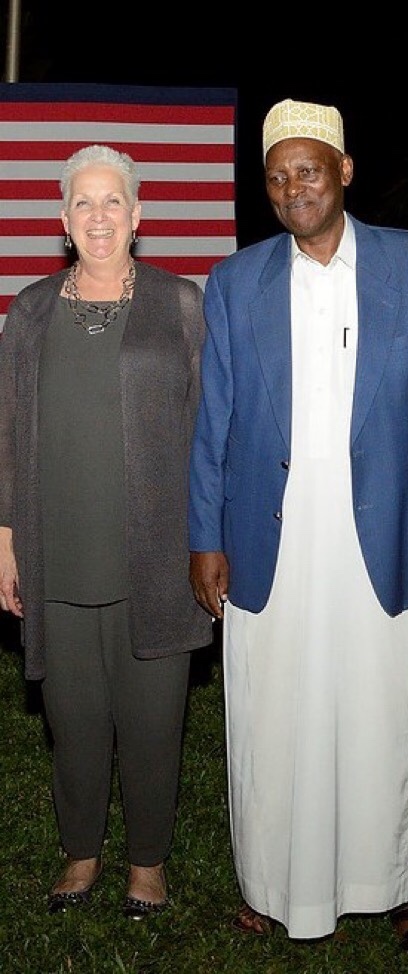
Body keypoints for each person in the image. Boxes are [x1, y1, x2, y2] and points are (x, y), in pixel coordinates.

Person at [188, 99, 408, 960]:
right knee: (274, 710)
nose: (294, 189)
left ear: (344, 171)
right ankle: (275, 884)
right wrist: (205, 536)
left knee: (394, 706)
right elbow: (215, 421)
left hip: (393, 533)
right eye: (277, 177)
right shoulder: (237, 281)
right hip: (272, 536)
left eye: (309, 171)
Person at [0, 144, 212, 919]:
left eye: (112, 200)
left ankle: (147, 861)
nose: (98, 215)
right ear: (63, 219)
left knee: (153, 722)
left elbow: (210, 431)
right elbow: (7, 432)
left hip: (155, 557)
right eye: (83, 202)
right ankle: (81, 851)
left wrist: (213, 541)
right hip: (55, 555)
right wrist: (4, 541)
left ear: (137, 214)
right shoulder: (29, 312)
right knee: (74, 720)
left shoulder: (180, 303)